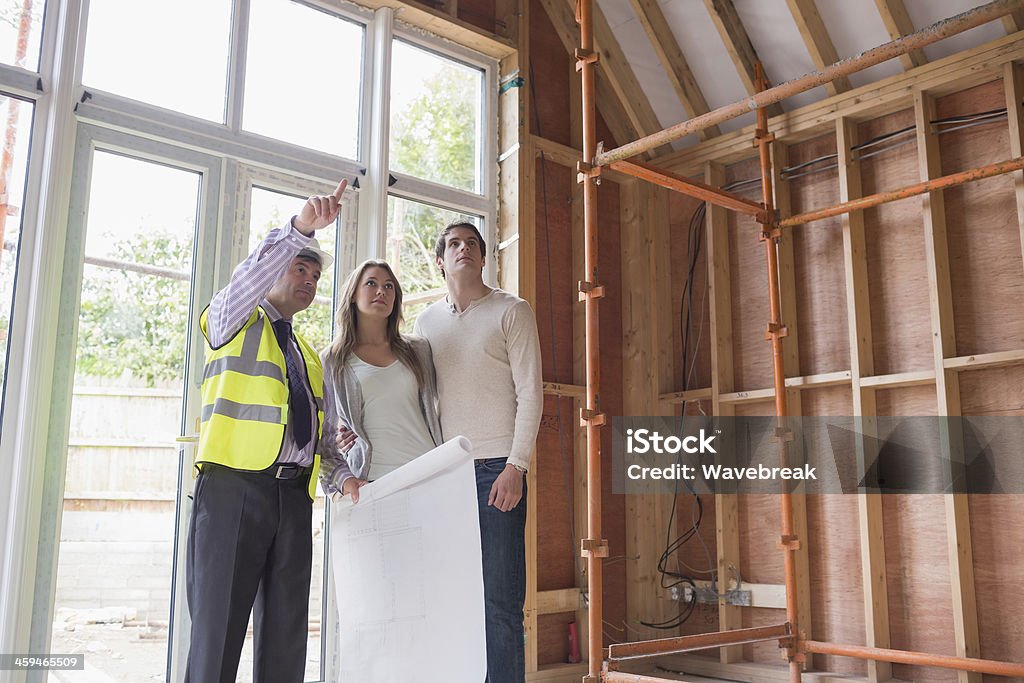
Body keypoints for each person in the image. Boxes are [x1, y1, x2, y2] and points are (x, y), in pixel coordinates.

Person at [185, 179, 347, 683]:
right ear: (273, 269)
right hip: (234, 491)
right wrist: (300, 230)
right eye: (301, 267)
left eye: (316, 275)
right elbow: (248, 277)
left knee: (286, 643)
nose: (309, 280)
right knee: (218, 639)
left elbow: (319, 442)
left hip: (293, 501)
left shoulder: (307, 357)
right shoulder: (231, 318)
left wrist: (342, 473)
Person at [413, 221, 543, 682]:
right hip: (447, 477)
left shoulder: (512, 311)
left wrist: (517, 466)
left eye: (471, 243)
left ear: (484, 258)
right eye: (453, 244)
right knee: (455, 601)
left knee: (501, 604)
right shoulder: (426, 323)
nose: (463, 248)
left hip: (496, 472)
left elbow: (531, 393)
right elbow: (421, 401)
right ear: (440, 261)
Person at [319, 259, 442, 502]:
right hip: (371, 482)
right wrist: (337, 440)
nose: (381, 291)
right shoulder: (333, 360)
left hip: (427, 473)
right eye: (371, 283)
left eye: (389, 286)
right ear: (353, 294)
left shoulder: (419, 349)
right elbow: (323, 436)